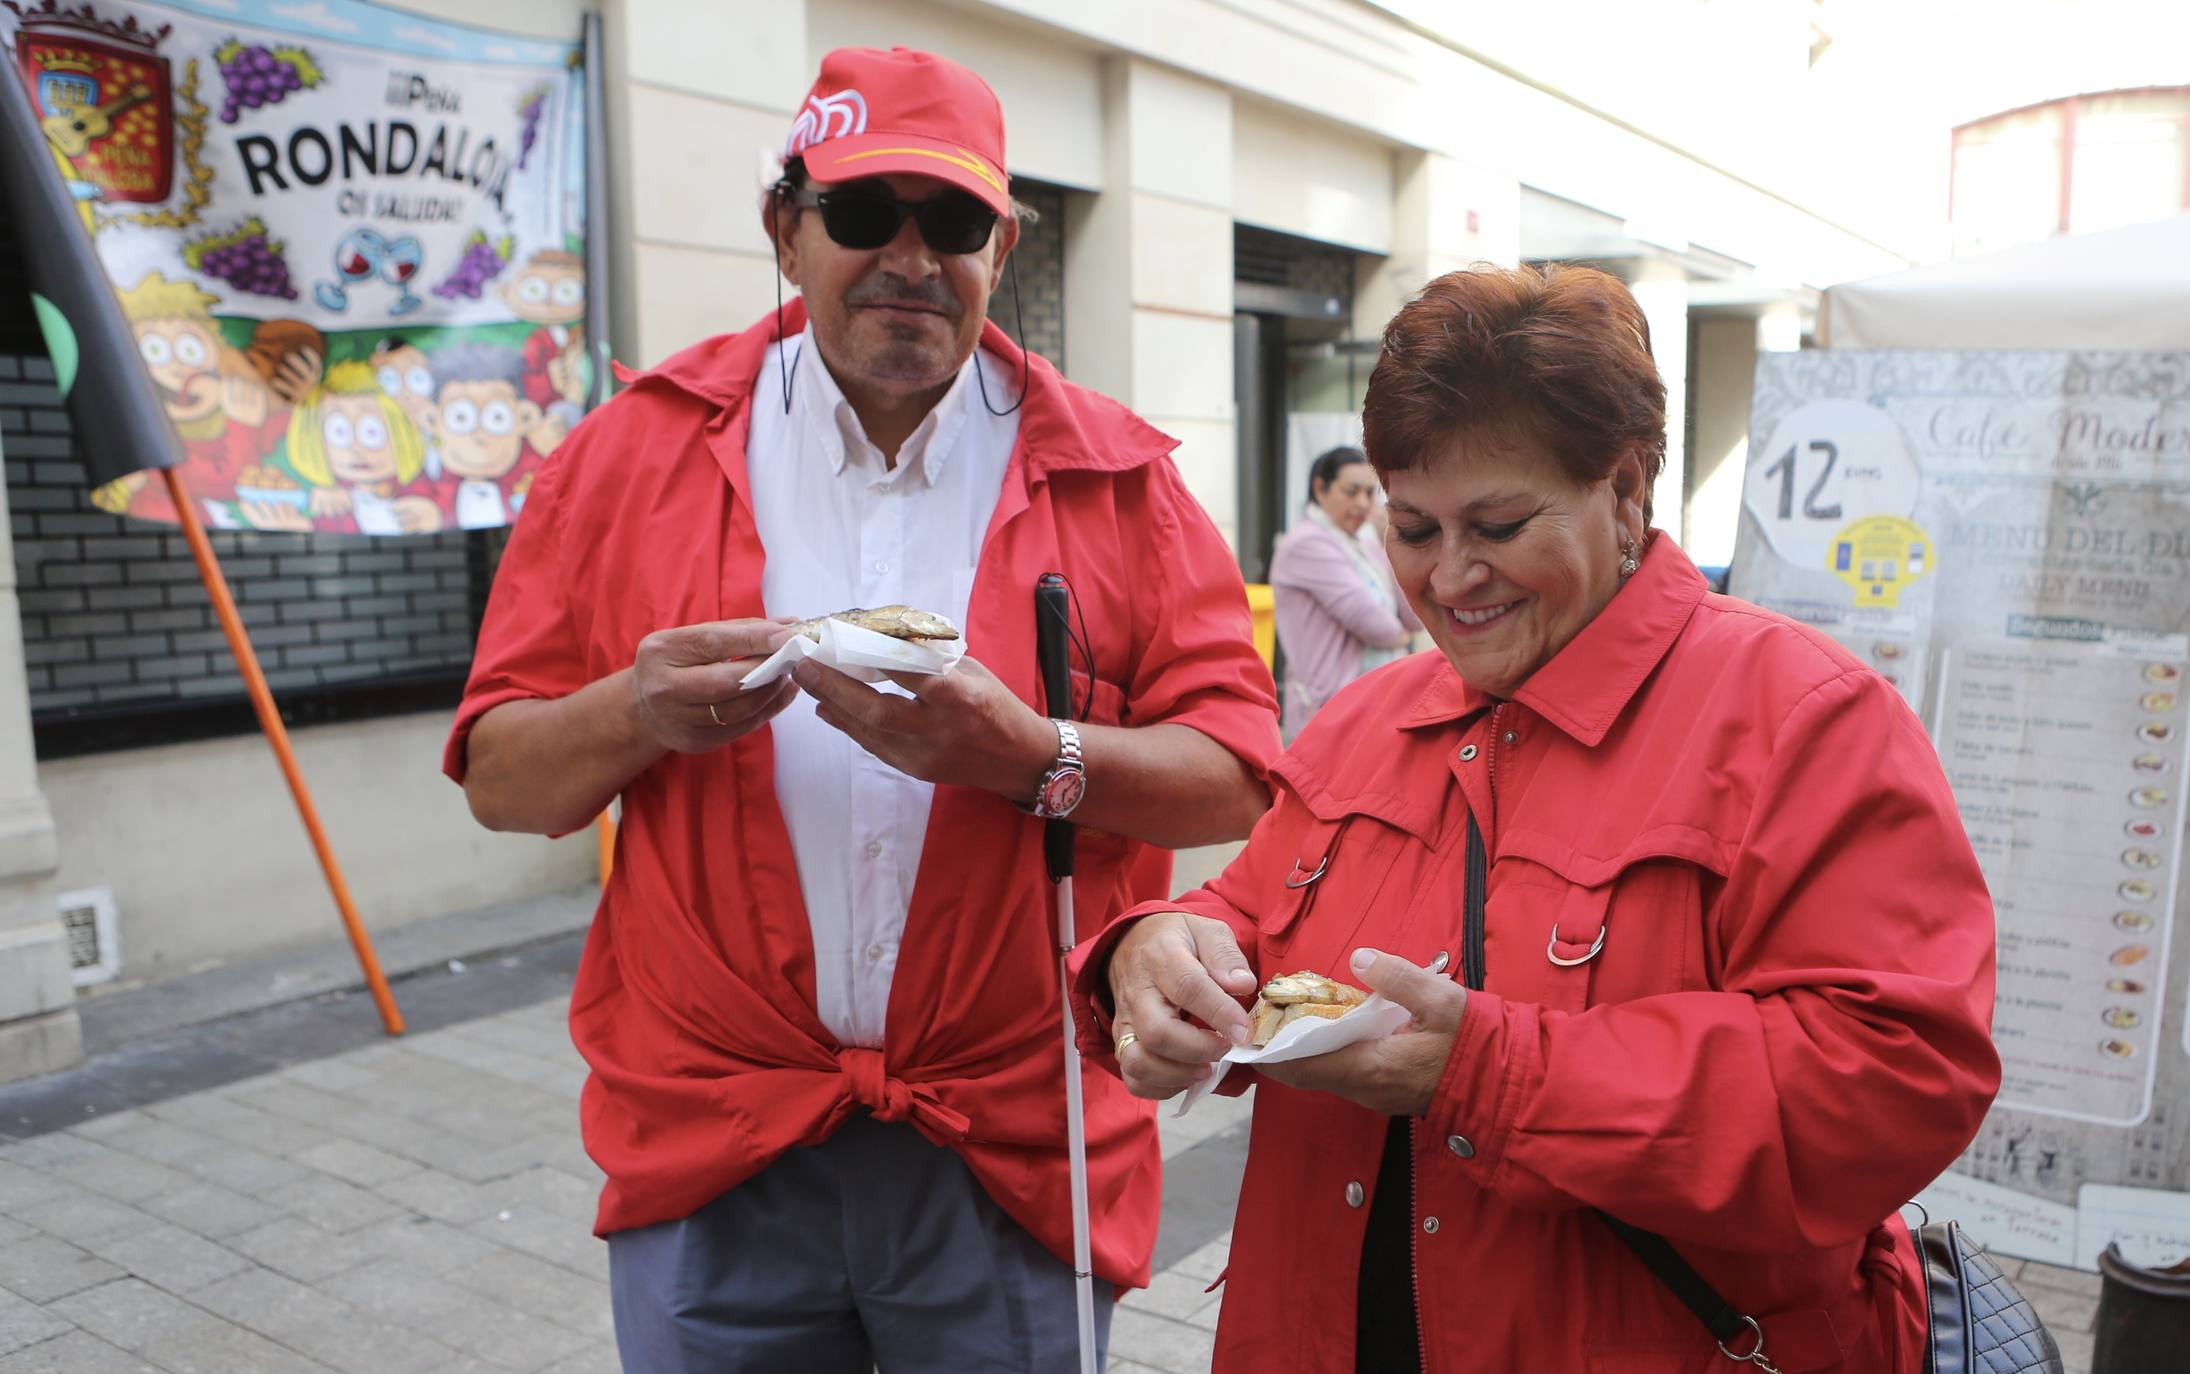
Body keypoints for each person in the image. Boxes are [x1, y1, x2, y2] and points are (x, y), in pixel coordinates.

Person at [447, 45, 1280, 1374]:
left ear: (998, 247)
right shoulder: (632, 451)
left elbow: (1237, 769)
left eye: (949, 221)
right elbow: (502, 781)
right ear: (786, 229)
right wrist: (635, 712)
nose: (908, 255)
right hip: (715, 1146)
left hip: (1008, 1151)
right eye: (860, 213)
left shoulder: (1117, 476)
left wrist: (1032, 756)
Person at [1071, 263, 2000, 1373]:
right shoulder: (1369, 718)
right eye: (1412, 530)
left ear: (1624, 487)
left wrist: (1501, 1076)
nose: (1452, 578)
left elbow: (1896, 1082)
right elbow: (1241, 917)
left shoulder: (1801, 721)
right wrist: (1147, 955)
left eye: (1499, 524)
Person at [1269, 445, 1421, 740]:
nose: (1363, 503)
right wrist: (1401, 635)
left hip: (1374, 703)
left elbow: (1415, 616)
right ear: (1320, 488)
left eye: (1370, 492)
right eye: (1351, 491)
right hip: (1330, 711)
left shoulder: (1364, 542)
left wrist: (1392, 545)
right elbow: (1375, 625)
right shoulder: (1306, 544)